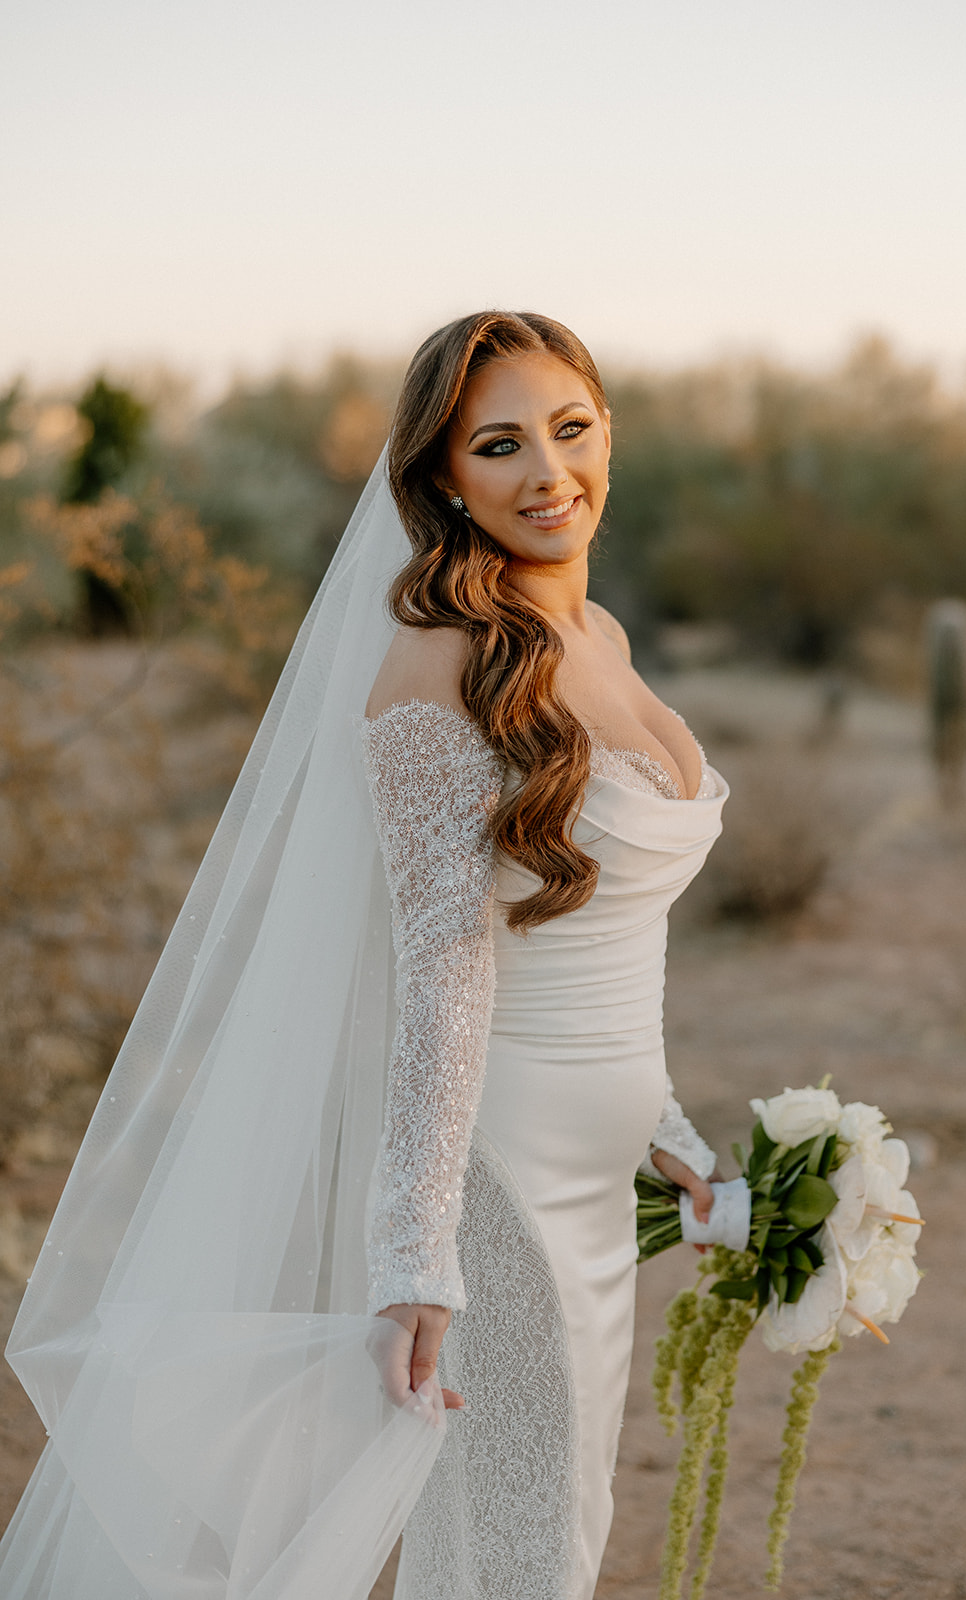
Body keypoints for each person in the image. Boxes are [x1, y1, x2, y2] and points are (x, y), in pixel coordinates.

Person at [0, 312, 727, 1600]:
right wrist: (415, 1262)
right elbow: (445, 972)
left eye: (570, 428)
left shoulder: (600, 638)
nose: (549, 473)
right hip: (500, 1171)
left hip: (606, 1159)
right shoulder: (436, 672)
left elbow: (590, 939)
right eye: (498, 446)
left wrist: (668, 1129)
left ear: (610, 426)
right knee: (521, 1553)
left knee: (562, 1521)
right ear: (444, 479)